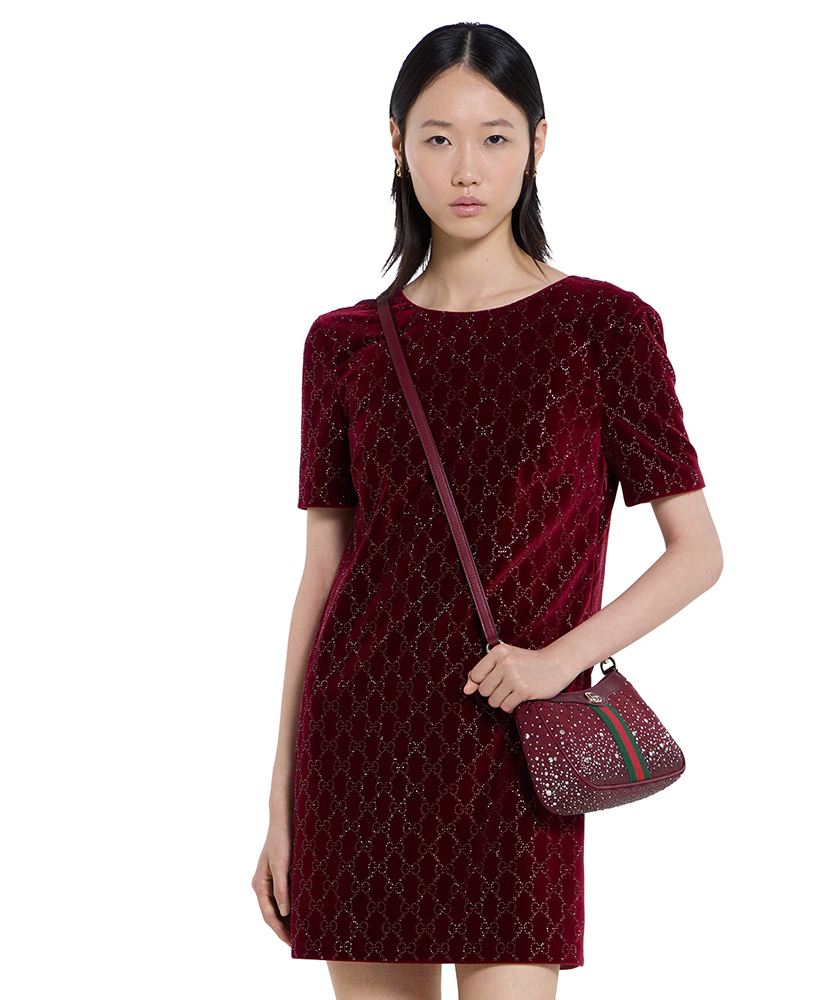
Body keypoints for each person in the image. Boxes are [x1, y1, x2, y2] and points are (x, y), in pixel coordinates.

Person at [253, 20, 723, 1000]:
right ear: (396, 144)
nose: (465, 167)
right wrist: (281, 807)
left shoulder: (605, 326)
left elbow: (697, 552)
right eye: (437, 137)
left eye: (494, 136)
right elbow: (322, 574)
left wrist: (558, 659)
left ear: (537, 143)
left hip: (518, 755)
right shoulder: (344, 343)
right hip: (361, 752)